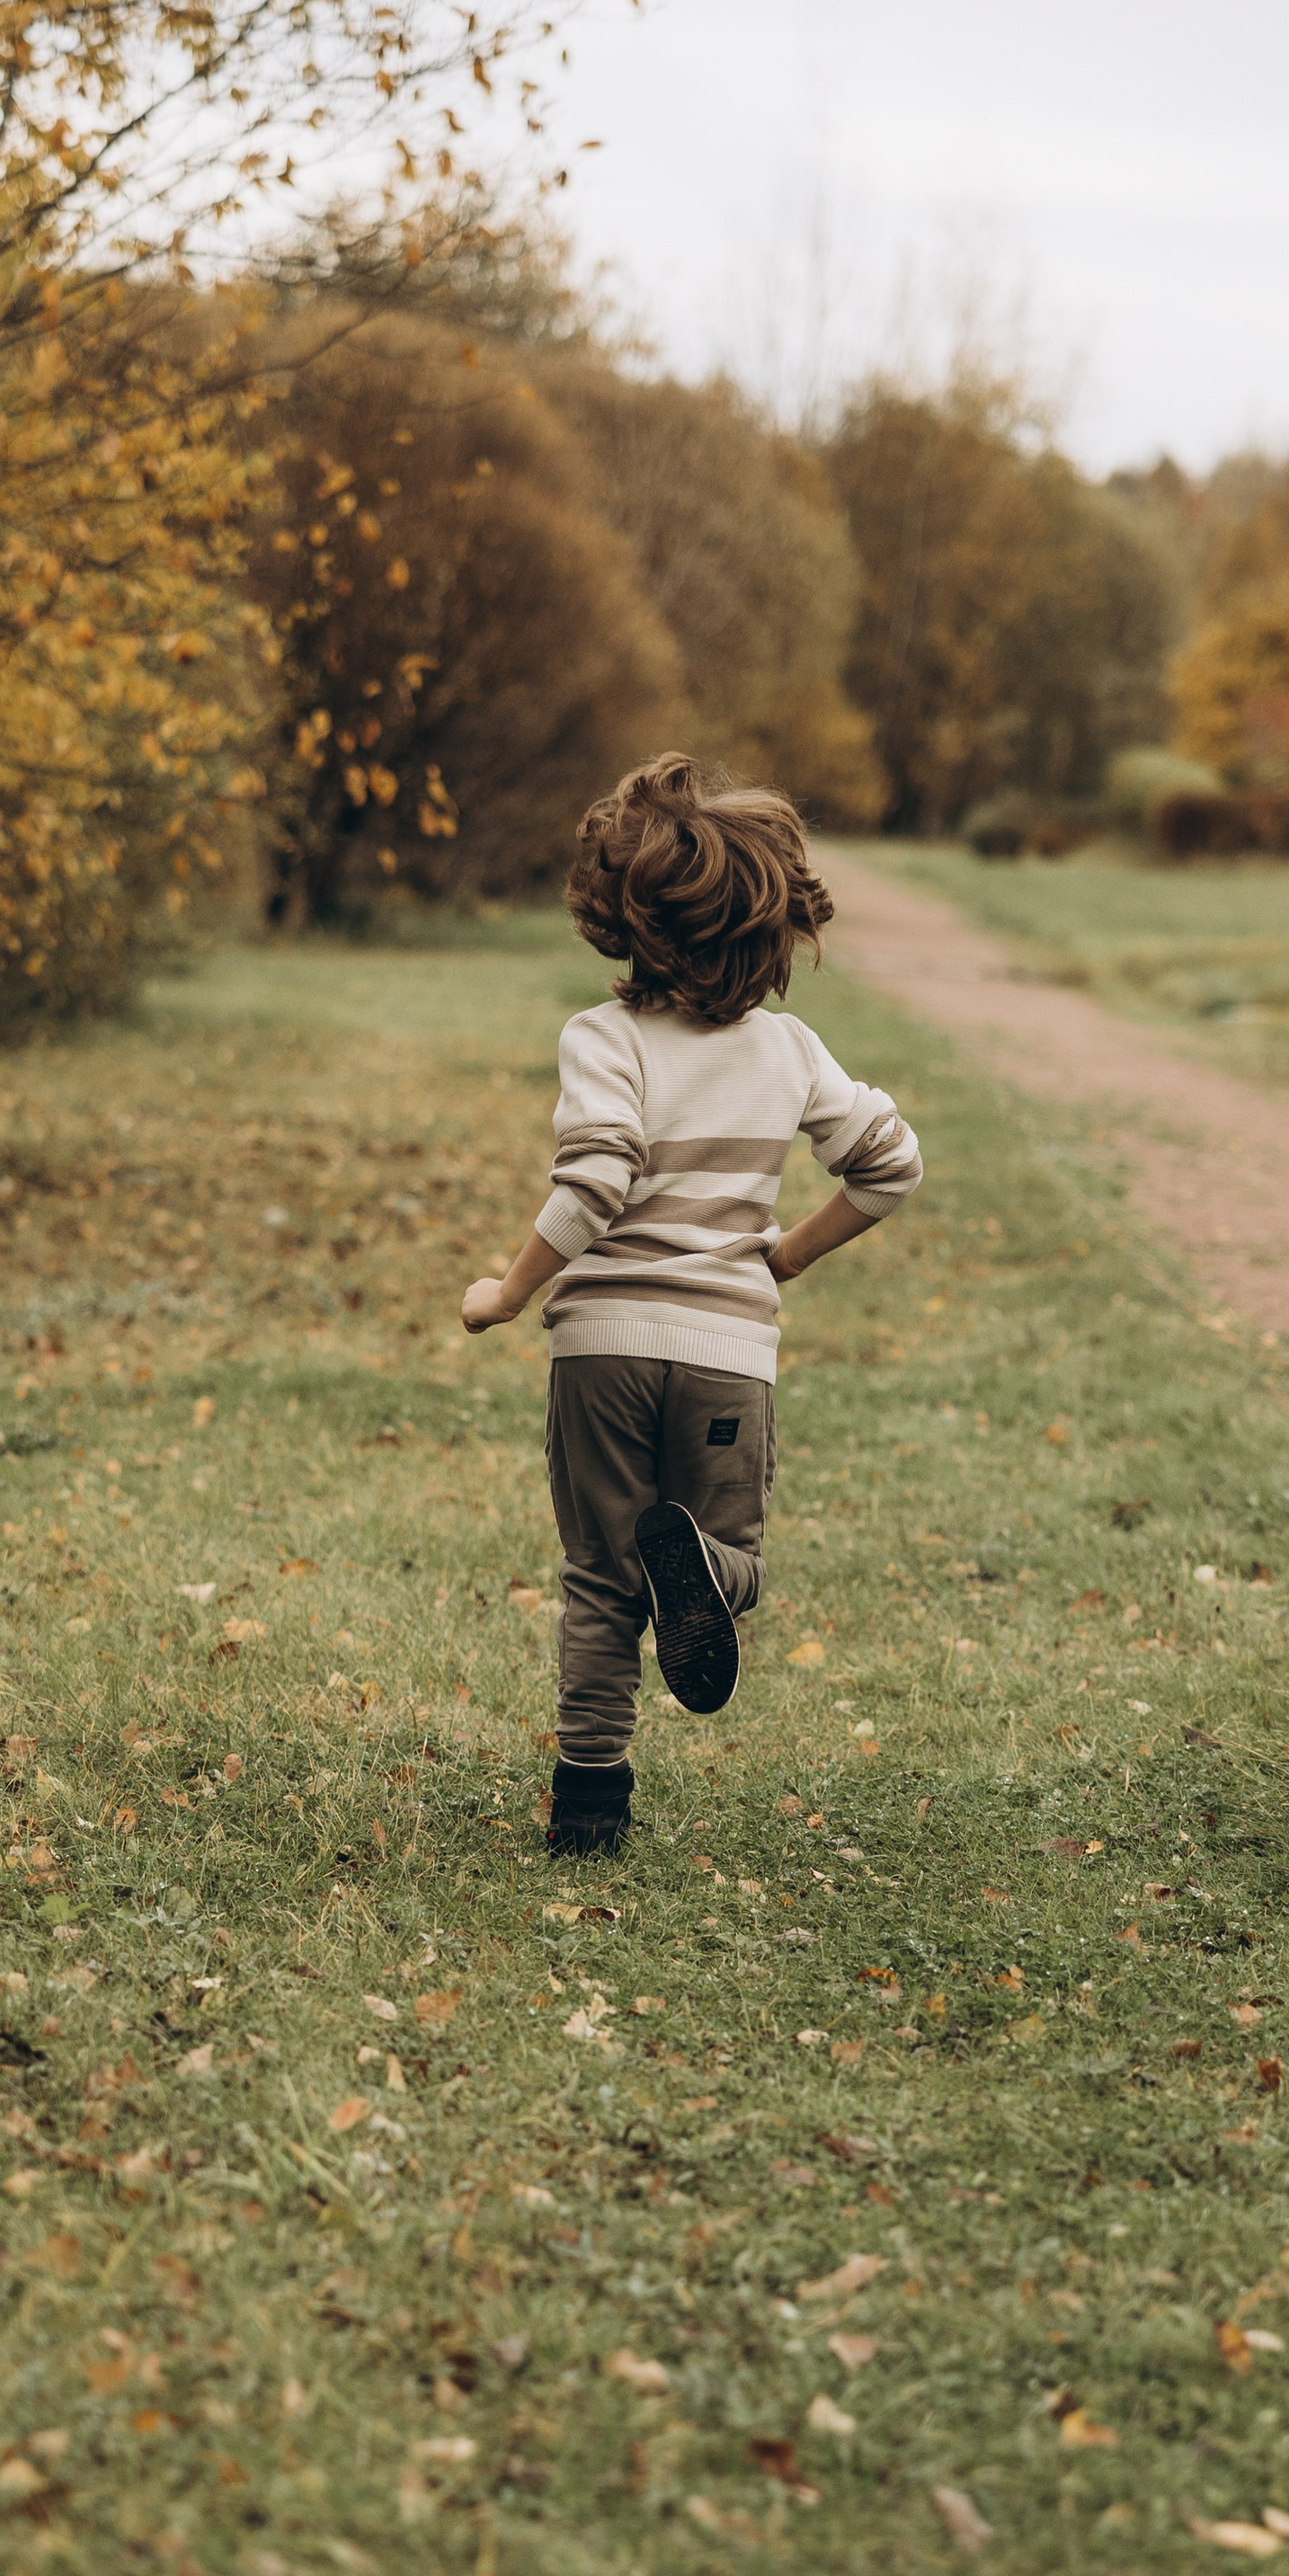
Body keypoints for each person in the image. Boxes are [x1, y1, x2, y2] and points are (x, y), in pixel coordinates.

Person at [460, 752, 921, 1856]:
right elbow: (891, 1166)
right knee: (728, 1556)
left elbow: (595, 1181)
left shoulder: (603, 1039)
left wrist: (510, 1290)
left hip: (603, 1352)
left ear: (616, 912)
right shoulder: (787, 1050)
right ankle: (709, 1569)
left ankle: (588, 1812)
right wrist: (789, 1256)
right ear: (774, 922)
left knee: (599, 1581)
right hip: (725, 1350)